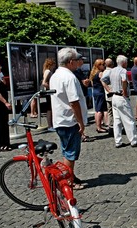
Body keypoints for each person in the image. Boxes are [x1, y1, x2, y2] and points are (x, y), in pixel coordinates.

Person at [49, 48, 87, 190]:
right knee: (70, 153)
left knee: (67, 150)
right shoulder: (69, 77)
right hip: (70, 120)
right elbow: (73, 102)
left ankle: (69, 176)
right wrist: (80, 122)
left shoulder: (56, 75)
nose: (79, 62)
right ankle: (67, 180)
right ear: (71, 62)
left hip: (60, 118)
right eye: (77, 60)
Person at [109, 55, 137, 148]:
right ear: (123, 62)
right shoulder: (123, 70)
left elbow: (103, 79)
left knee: (117, 121)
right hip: (121, 97)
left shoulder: (112, 70)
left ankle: (118, 141)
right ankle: (133, 140)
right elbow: (124, 80)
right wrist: (125, 92)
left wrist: (108, 89)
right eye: (126, 62)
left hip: (114, 96)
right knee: (129, 119)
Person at [89, 59, 108, 133]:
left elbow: (92, 84)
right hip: (100, 92)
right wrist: (109, 89)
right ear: (99, 65)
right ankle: (99, 127)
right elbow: (104, 82)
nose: (104, 66)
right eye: (103, 64)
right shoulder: (100, 73)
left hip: (95, 91)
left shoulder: (93, 73)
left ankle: (98, 125)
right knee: (100, 110)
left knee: (97, 110)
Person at [40, 58, 56, 132]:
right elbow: (44, 82)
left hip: (49, 92)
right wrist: (50, 87)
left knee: (50, 108)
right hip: (49, 92)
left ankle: (51, 125)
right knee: (49, 109)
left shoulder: (47, 71)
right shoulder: (48, 71)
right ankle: (50, 125)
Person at [100, 58, 114, 130]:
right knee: (114, 112)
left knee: (110, 112)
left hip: (107, 95)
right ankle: (113, 127)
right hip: (112, 94)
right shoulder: (112, 72)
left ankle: (111, 127)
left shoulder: (104, 72)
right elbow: (103, 81)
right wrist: (109, 90)